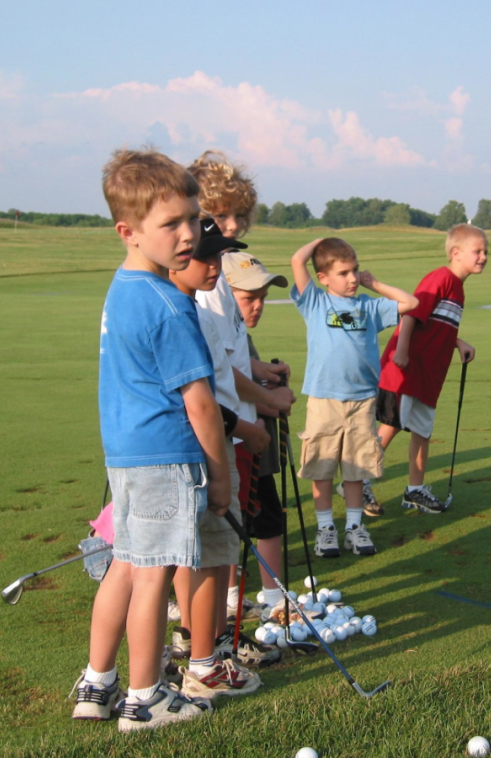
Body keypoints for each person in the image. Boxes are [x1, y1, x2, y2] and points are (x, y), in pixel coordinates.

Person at [72, 148, 227, 731]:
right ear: (128, 232)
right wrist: (223, 477)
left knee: (128, 568)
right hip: (165, 456)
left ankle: (99, 682)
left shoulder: (124, 287)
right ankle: (146, 698)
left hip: (127, 456)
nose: (189, 235)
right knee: (155, 575)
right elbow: (201, 403)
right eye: (171, 224)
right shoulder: (169, 302)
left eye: (191, 218)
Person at [187, 151, 295, 627]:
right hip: (222, 429)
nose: (229, 226)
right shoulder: (208, 279)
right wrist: (268, 399)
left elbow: (233, 354)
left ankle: (222, 626)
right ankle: (204, 639)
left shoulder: (226, 273)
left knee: (229, 538)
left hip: (236, 423)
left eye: (237, 215)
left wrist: (260, 371)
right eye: (217, 215)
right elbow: (215, 372)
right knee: (216, 536)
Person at [167, 230, 275, 698]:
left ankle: (205, 653)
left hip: (222, 436)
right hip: (210, 444)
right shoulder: (188, 308)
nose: (218, 262)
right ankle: (200, 659)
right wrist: (249, 425)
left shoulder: (206, 305)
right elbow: (202, 396)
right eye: (209, 254)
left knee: (213, 555)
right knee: (202, 557)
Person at [290, 237, 418, 557]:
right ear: (323, 278)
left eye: (355, 271)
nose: (351, 279)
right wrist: (319, 242)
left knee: (356, 470)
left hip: (362, 400)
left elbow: (410, 303)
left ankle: (353, 527)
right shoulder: (316, 303)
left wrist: (373, 283)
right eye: (343, 272)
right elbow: (297, 261)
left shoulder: (368, 306)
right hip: (324, 399)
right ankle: (325, 529)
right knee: (321, 467)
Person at [374, 223, 488, 514]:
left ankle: (414, 490)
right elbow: (412, 313)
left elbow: (436, 324)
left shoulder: (458, 287)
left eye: (486, 252)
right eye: (478, 251)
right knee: (391, 424)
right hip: (406, 370)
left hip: (427, 376)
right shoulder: (441, 278)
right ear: (456, 253)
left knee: (422, 431)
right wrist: (400, 351)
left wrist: (457, 342)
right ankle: (358, 480)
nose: (484, 256)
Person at [221, 250, 293, 618]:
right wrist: (272, 401)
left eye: (263, 297)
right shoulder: (216, 322)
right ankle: (258, 599)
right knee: (239, 524)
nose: (259, 305)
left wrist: (267, 377)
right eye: (250, 297)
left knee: (255, 519)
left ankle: (249, 598)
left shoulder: (235, 329)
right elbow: (224, 389)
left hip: (248, 438)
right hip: (234, 442)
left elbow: (242, 374)